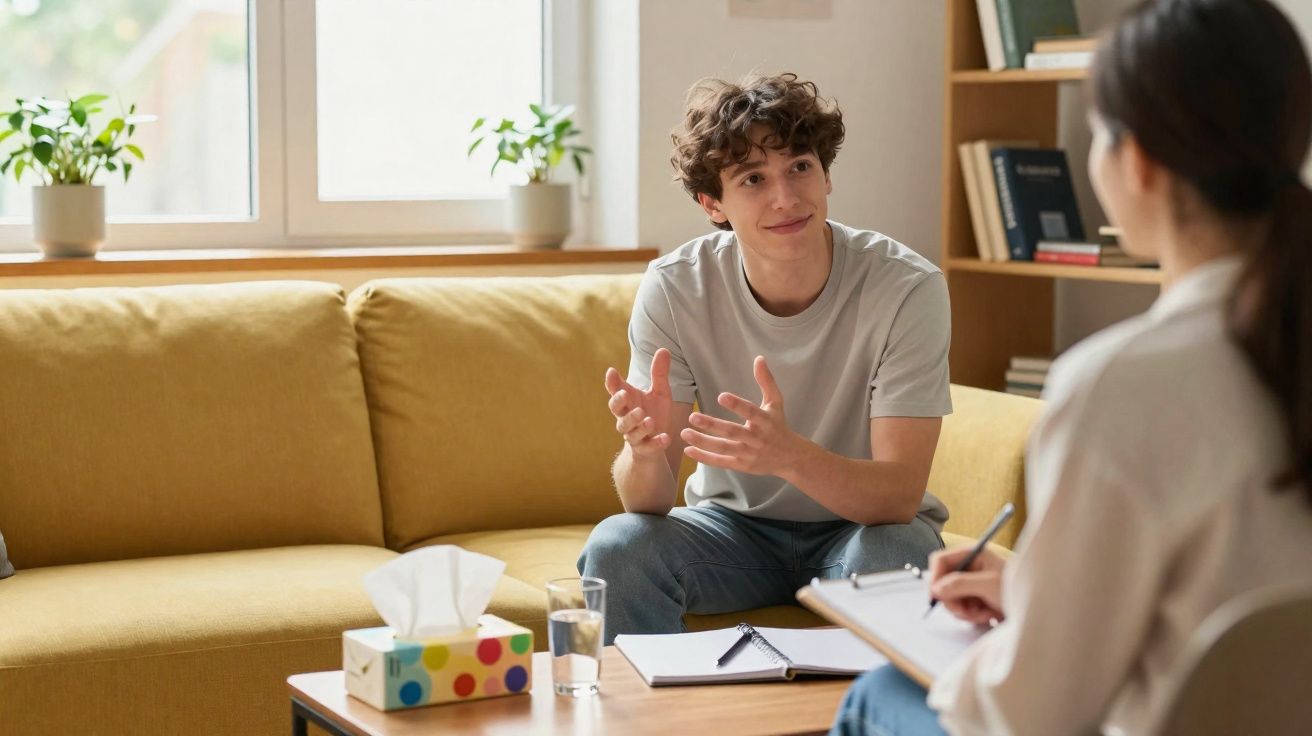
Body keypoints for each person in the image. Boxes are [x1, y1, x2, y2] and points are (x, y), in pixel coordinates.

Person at [831, 0, 1312, 733]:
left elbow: (1031, 714)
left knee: (877, 698)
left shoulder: (1123, 385)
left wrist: (956, 671)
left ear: (1138, 162)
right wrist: (1032, 587)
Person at [577, 73, 954, 644]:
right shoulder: (675, 288)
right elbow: (647, 502)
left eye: (799, 167)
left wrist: (789, 457)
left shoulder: (906, 287)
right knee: (619, 547)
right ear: (713, 204)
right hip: (730, 534)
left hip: (861, 532)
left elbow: (899, 496)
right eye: (752, 179)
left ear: (826, 175)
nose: (786, 198)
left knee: (902, 554)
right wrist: (644, 452)